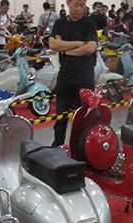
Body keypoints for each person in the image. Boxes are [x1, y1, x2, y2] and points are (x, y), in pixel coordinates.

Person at [49, 0, 97, 147]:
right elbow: (53, 44)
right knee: (61, 117)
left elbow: (90, 48)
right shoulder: (60, 23)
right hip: (65, 77)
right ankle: (57, 146)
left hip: (85, 78)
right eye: (76, 5)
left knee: (85, 118)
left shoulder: (89, 24)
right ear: (68, 3)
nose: (79, 9)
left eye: (82, 5)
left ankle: (82, 148)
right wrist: (79, 43)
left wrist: (65, 50)